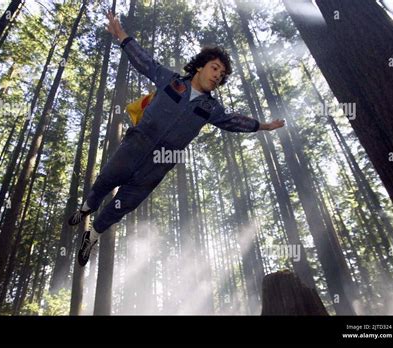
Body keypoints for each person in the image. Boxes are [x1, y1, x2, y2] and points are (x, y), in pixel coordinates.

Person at [70, 11, 285, 266]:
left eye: (222, 74)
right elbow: (145, 62)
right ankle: (86, 207)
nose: (217, 75)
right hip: (136, 145)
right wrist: (122, 36)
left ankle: (92, 234)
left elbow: (233, 121)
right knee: (106, 180)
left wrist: (262, 126)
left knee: (124, 203)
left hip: (159, 164)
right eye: (215, 68)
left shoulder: (211, 109)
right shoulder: (171, 81)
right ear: (200, 66)